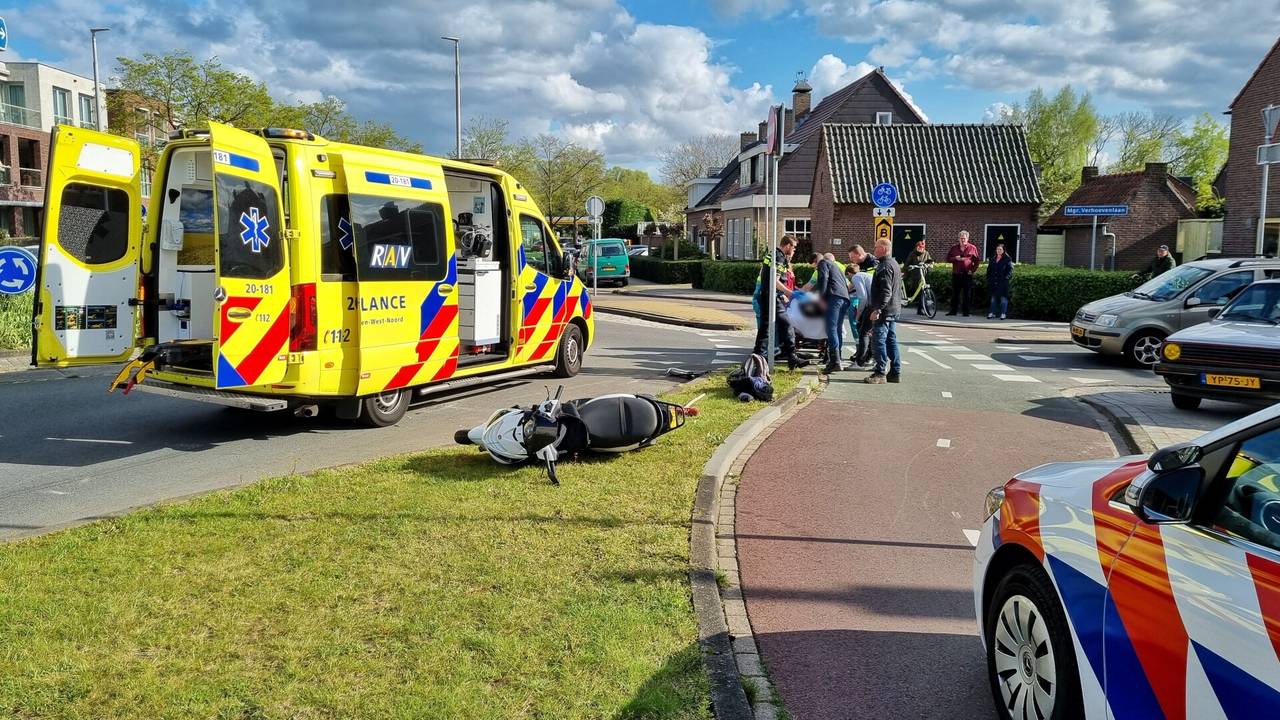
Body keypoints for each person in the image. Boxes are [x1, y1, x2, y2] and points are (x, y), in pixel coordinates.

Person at [752, 234, 800, 367]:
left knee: (765, 327)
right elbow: (774, 279)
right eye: (794, 248)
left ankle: (758, 355)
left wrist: (781, 293)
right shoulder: (779, 257)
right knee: (786, 323)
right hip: (770, 295)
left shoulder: (773, 254)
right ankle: (791, 356)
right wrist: (789, 293)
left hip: (767, 294)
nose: (794, 250)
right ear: (788, 245)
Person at [865, 237, 902, 384]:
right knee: (891, 340)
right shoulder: (894, 264)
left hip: (885, 310)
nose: (874, 250)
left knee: (878, 340)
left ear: (884, 249)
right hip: (894, 308)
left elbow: (886, 291)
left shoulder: (884, 266)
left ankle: (880, 372)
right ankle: (895, 372)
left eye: (876, 248)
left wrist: (878, 309)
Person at [811, 252, 850, 373]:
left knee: (830, 328)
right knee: (837, 329)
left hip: (834, 298)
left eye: (814, 266)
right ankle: (838, 357)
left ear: (817, 261)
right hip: (844, 298)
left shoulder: (823, 263)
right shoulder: (836, 267)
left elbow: (823, 280)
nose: (816, 268)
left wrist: (820, 299)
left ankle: (835, 361)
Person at [946, 230, 980, 316]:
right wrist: (955, 258)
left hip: (967, 274)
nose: (962, 240)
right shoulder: (954, 248)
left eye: (964, 238)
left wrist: (972, 270)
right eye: (961, 238)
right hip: (956, 274)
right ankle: (953, 311)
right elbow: (948, 259)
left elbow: (976, 261)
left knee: (967, 294)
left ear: (967, 238)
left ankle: (966, 312)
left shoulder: (972, 248)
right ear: (958, 239)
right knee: (955, 294)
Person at [845, 260, 873, 367]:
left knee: (863, 333)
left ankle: (859, 362)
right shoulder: (865, 275)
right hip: (877, 304)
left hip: (871, 305)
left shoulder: (856, 277)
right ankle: (870, 358)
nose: (850, 281)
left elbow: (863, 297)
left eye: (848, 278)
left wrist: (858, 314)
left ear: (849, 274)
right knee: (870, 333)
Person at [903, 239, 933, 313]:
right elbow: (907, 264)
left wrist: (930, 263)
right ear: (916, 247)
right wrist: (905, 271)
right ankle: (923, 310)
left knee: (923, 293)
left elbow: (930, 260)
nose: (921, 249)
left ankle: (922, 310)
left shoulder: (926, 253)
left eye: (922, 248)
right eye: (919, 247)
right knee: (920, 293)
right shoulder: (912, 254)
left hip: (924, 275)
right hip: (916, 276)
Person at [986, 243, 1015, 320]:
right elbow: (989, 270)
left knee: (1003, 299)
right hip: (993, 282)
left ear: (1003, 250)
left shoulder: (1008, 259)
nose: (998, 251)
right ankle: (992, 313)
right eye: (997, 249)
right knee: (993, 299)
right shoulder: (992, 259)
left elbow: (1010, 271)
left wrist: (1006, 278)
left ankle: (1003, 313)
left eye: (1000, 249)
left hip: (1003, 283)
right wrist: (989, 279)